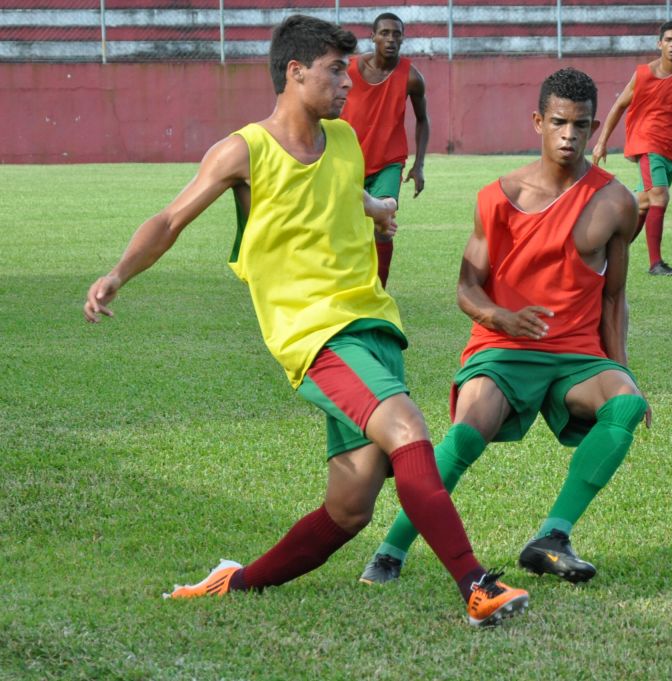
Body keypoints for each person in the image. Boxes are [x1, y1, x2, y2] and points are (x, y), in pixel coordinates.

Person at [82, 14, 527, 627]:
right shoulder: (244, 150)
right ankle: (475, 585)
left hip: (373, 324)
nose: (348, 82)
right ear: (294, 72)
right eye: (334, 70)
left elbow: (347, 192)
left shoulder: (342, 140)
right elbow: (169, 220)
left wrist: (378, 210)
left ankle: (233, 584)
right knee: (408, 429)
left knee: (349, 509)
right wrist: (117, 274)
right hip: (315, 335)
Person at [359, 68, 650, 587]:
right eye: (558, 122)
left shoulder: (617, 202)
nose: (569, 135)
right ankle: (390, 550)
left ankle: (552, 537)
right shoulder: (498, 196)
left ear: (594, 126)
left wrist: (621, 370)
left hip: (577, 356)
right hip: (501, 347)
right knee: (466, 436)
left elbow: (615, 296)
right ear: (538, 121)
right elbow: (467, 288)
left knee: (625, 403)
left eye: (581, 125)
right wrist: (501, 317)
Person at [592, 20, 672, 277]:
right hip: (647, 143)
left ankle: (606, 253)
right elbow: (619, 106)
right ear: (659, 44)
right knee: (660, 196)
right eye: (668, 40)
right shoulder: (644, 74)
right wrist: (601, 142)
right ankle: (655, 263)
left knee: (644, 204)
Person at [340, 12, 429, 288]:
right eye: (385, 33)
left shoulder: (412, 77)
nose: (391, 39)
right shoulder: (348, 70)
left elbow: (423, 120)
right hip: (349, 161)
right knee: (342, 228)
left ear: (403, 39)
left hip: (388, 163)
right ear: (373, 36)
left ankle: (379, 291)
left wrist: (419, 164)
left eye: (396, 34)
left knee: (384, 224)